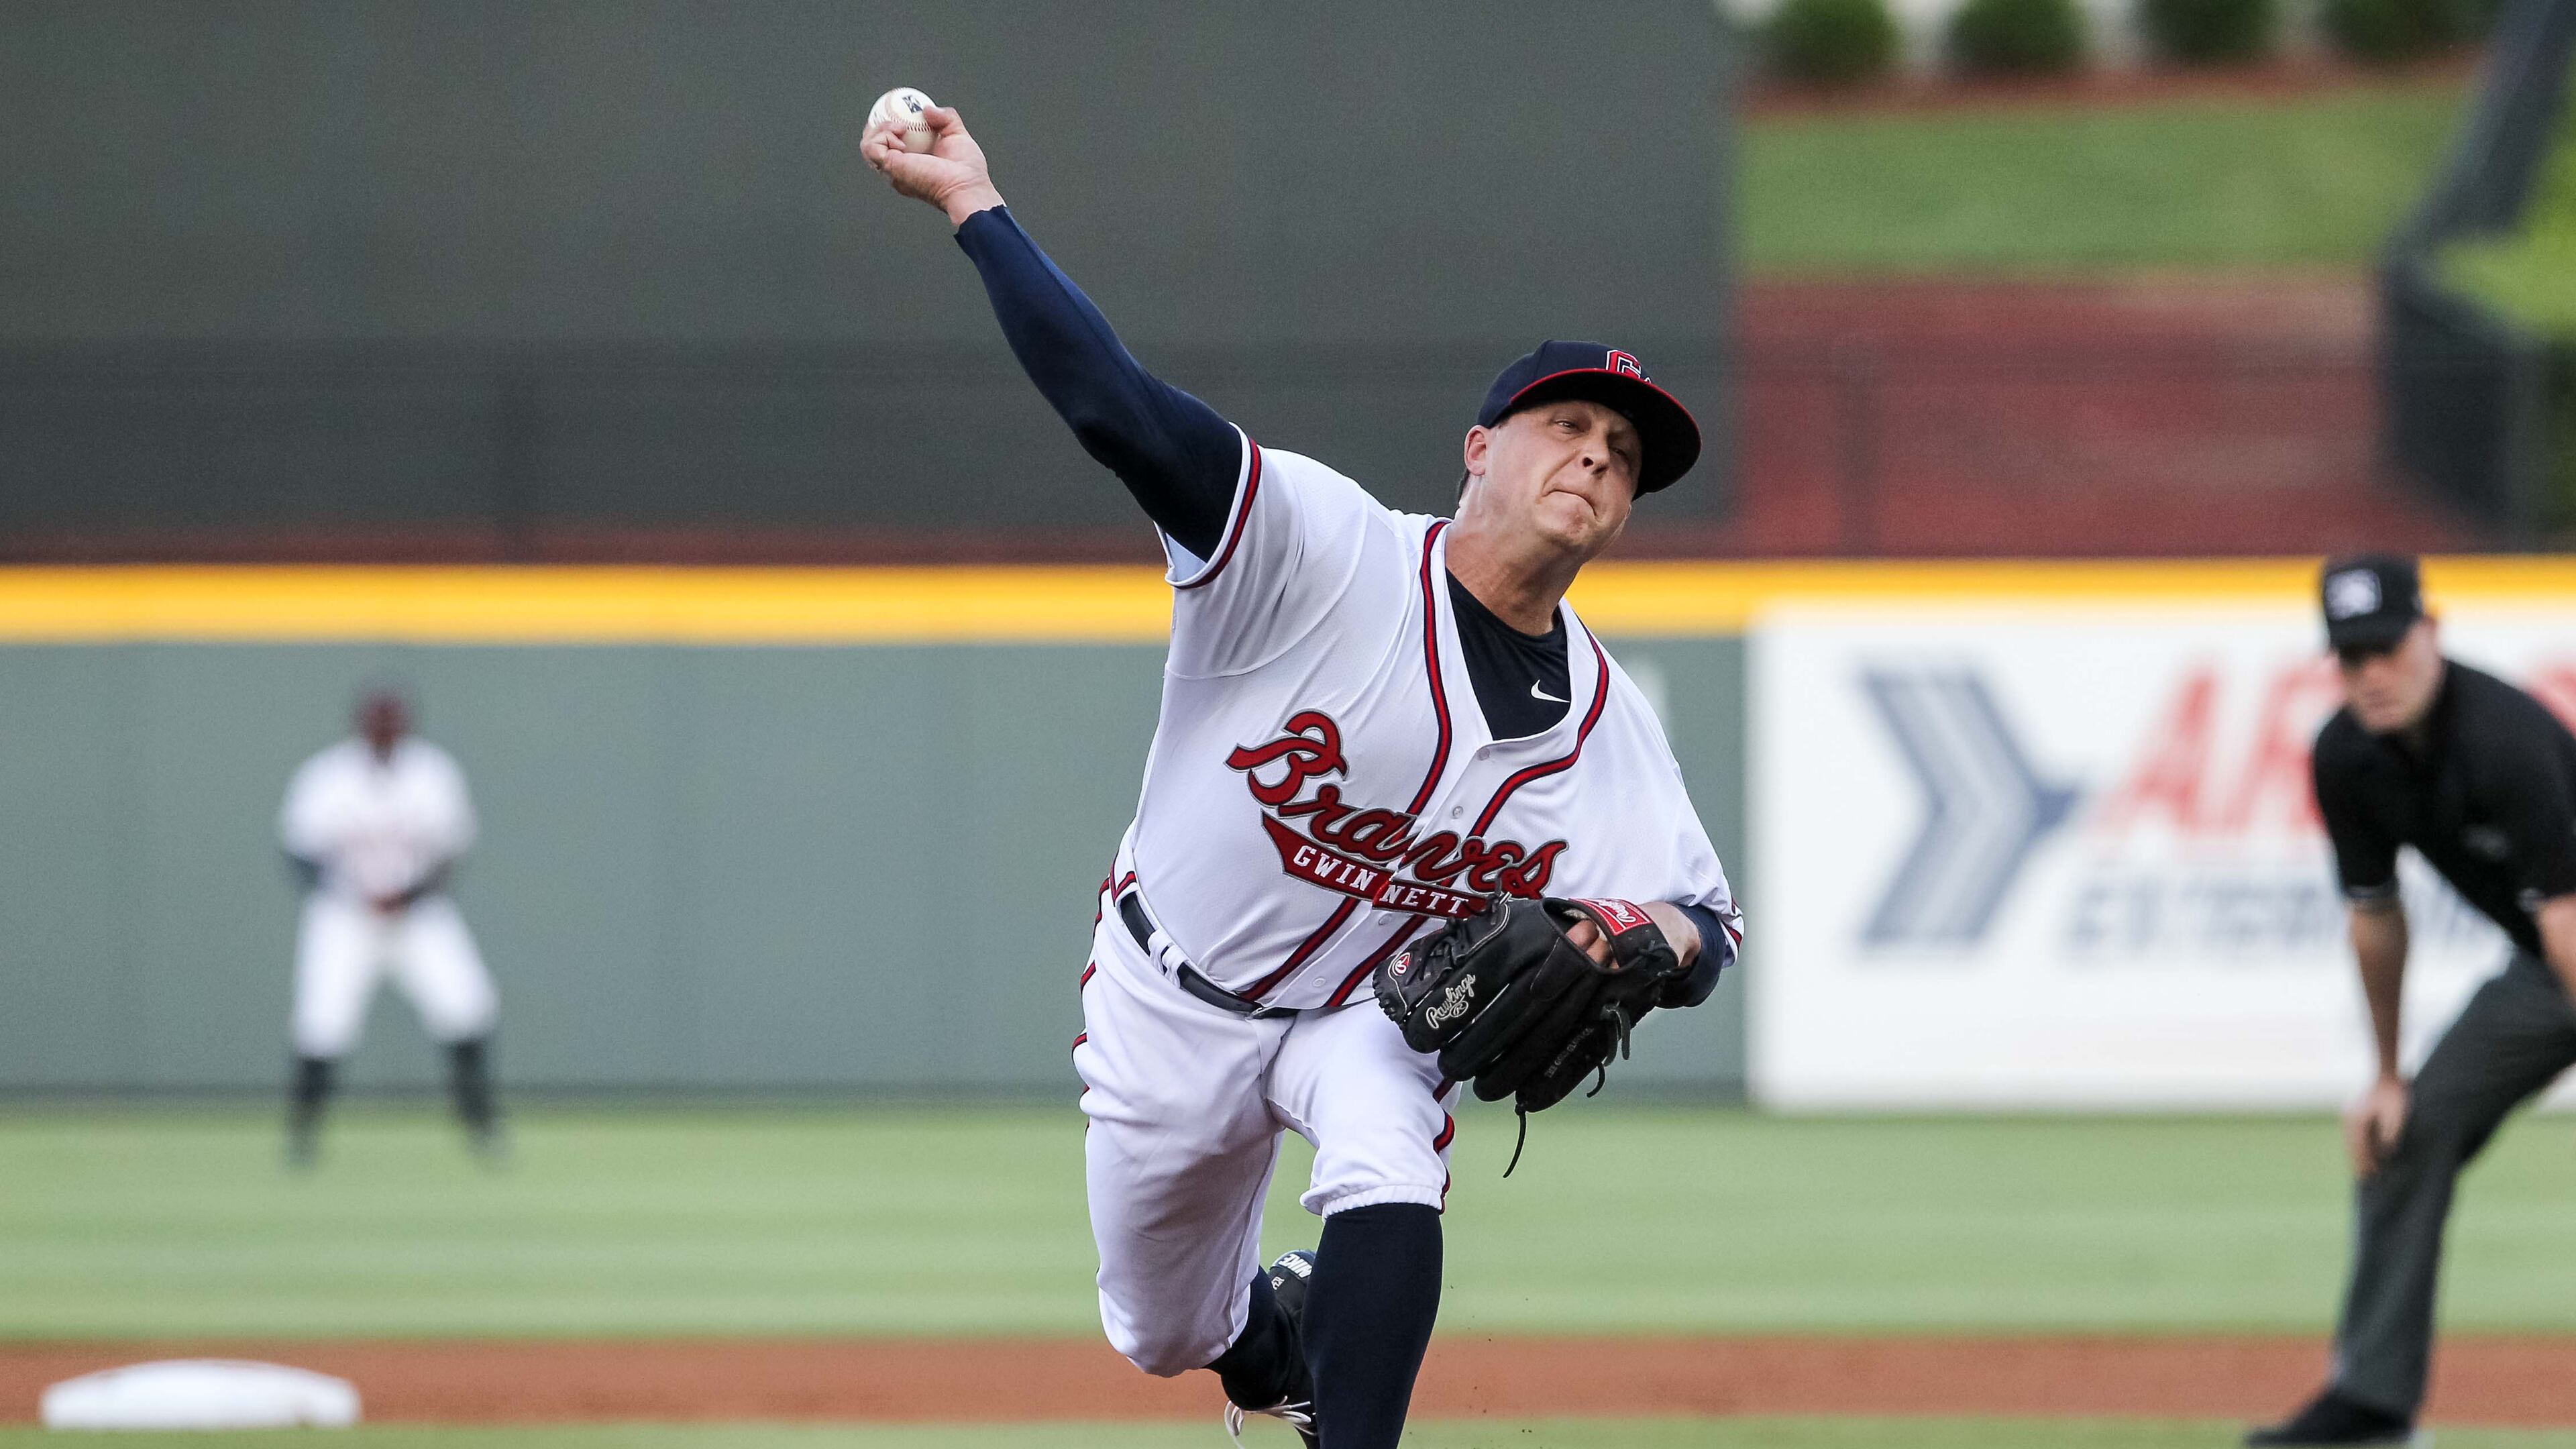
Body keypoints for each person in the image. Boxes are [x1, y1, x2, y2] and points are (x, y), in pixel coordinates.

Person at [864, 105, 1742, 1449]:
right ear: (1479, 448)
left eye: (1623, 459)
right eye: (1569, 426)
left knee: (1392, 1145)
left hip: (1368, 1011)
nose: (1596, 461)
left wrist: (1642, 935)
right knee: (1164, 1329)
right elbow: (1120, 408)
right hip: (1176, 992)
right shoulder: (1319, 553)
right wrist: (977, 207)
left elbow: (1706, 923)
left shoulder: (1607, 720)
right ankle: (1273, 1347)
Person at [2248, 555, 2576, 1447]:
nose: (2372, 674)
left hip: (2567, 942)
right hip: (2546, 970)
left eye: (2387, 648)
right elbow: (2377, 921)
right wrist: (2386, 1077)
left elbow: (2569, 924)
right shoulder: (2347, 757)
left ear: (2432, 631)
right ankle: (2373, 1406)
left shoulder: (2503, 737)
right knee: (2405, 1135)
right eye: (2351, 658)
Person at [278, 688, 501, 1166]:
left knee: (467, 1006)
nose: (385, 728)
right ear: (360, 726)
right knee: (322, 1021)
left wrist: (407, 896)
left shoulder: (433, 773)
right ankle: (302, 1136)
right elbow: (299, 854)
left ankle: (482, 1126)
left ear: (406, 726)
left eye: (393, 720)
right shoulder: (327, 776)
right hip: (344, 917)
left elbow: (450, 853)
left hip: (419, 914)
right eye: (377, 721)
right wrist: (354, 894)